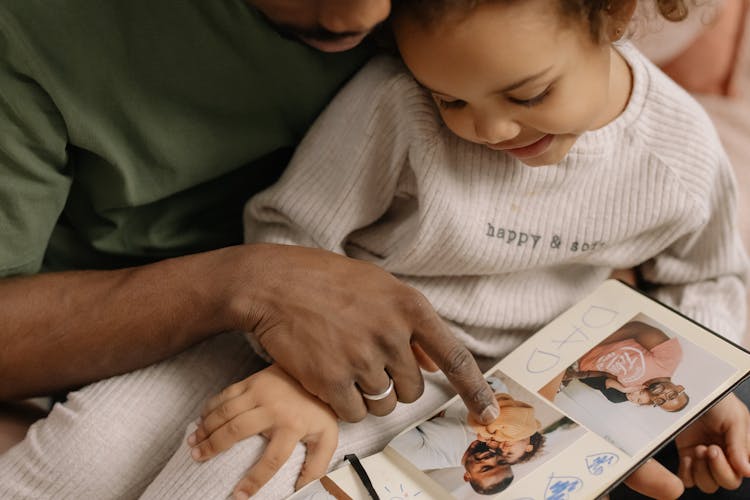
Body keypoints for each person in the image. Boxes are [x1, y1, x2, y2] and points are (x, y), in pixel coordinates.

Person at [182, 0, 750, 497]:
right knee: (98, 449)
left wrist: (693, 393)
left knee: (241, 466)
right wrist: (308, 371)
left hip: (499, 399)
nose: (492, 129)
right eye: (451, 101)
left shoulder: (679, 153)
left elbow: (711, 279)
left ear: (615, 13)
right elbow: (289, 234)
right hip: (356, 352)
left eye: (528, 94)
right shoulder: (398, 103)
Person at [0, 0, 501, 498]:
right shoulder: (35, 30)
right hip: (107, 340)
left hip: (382, 332)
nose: (356, 18)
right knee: (91, 448)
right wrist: (245, 283)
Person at [571, 321, 690, 412]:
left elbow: (606, 374)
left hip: (575, 362)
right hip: (585, 339)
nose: (661, 395)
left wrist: (577, 373)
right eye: (671, 395)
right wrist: (589, 343)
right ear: (679, 388)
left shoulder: (635, 388)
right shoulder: (671, 358)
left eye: (660, 401)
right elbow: (637, 328)